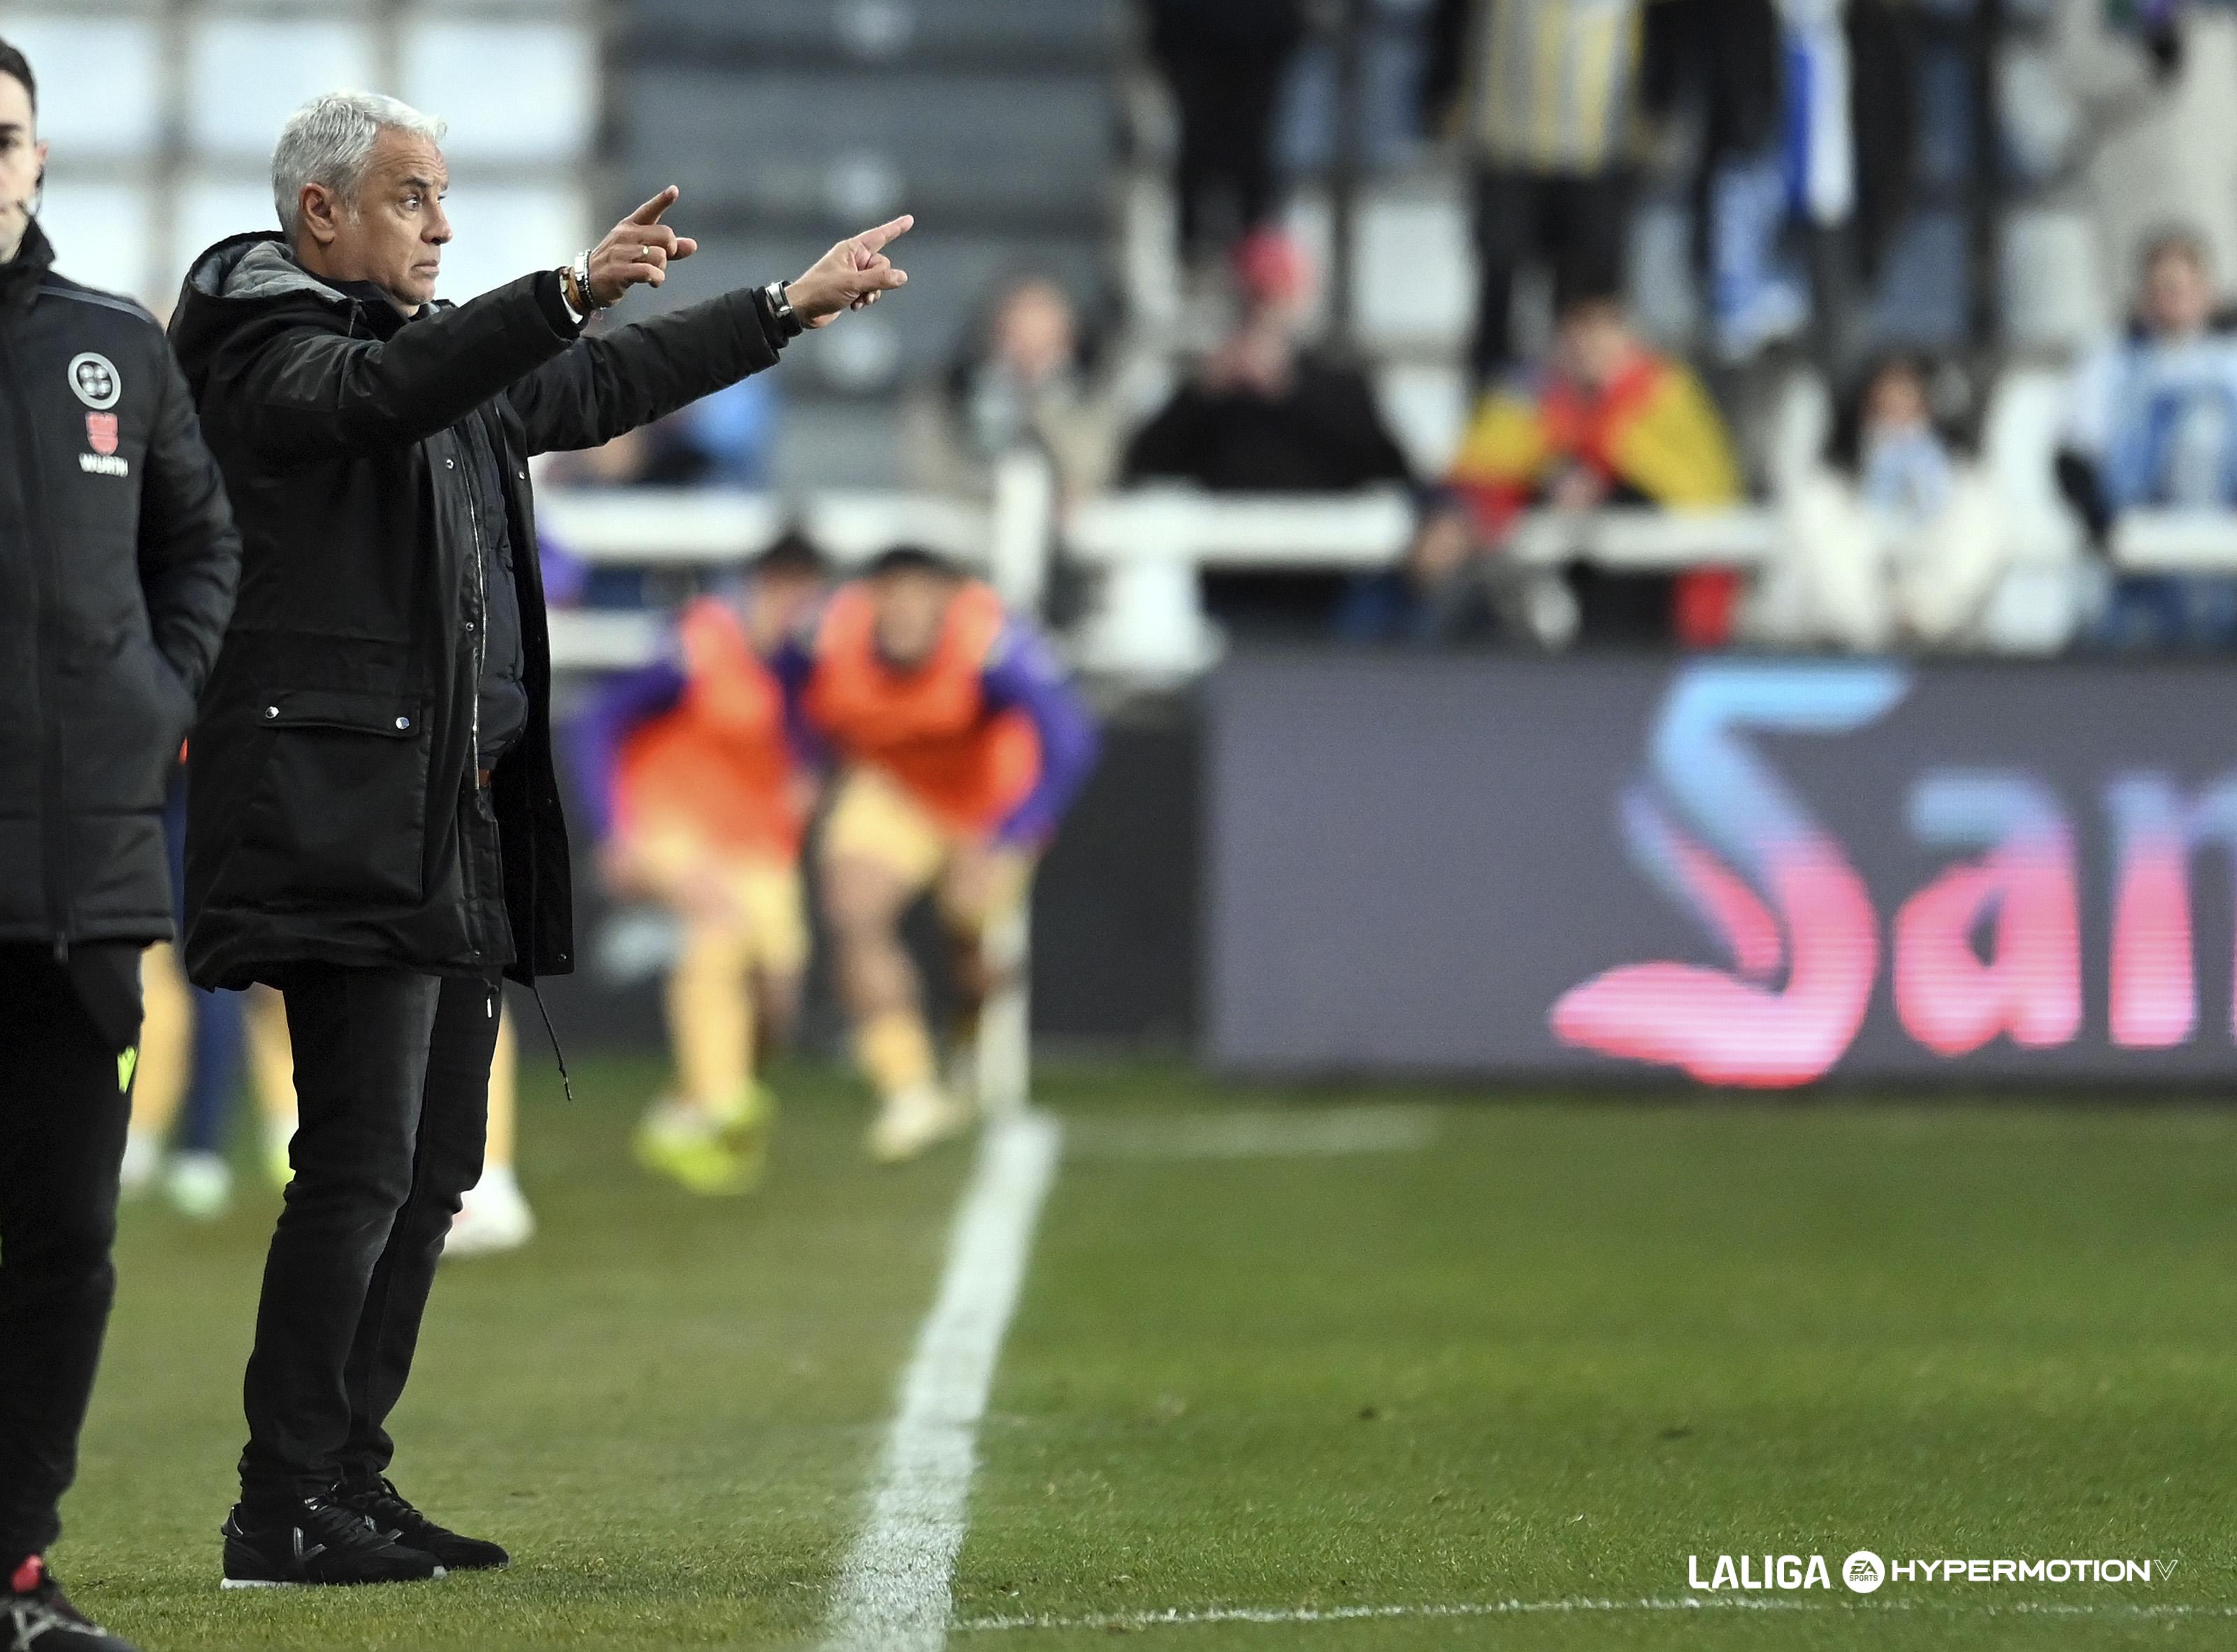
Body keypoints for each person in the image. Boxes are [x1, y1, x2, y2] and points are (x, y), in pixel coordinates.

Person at [167, 89, 911, 1588]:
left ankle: (344, 1472)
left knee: (433, 1164)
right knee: (360, 1162)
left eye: (444, 197)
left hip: (449, 810)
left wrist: (780, 310)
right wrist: (557, 292)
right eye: (410, 198)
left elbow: (596, 388)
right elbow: (369, 404)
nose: (442, 225)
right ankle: (277, 1501)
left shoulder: (428, 356)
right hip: (342, 808)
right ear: (321, 214)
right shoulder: (261, 336)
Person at [0, 38, 240, 1652]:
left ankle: (14, 1566)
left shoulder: (112, 348)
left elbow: (200, 536)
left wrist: (157, 691)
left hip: (76, 880)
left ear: (34, 155)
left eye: (2, 136)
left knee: (65, 1246)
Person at [786, 547, 1098, 1161]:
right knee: (853, 915)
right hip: (895, 787)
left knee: (970, 944)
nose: (904, 613)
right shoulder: (827, 633)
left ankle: (966, 1029)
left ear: (947, 602)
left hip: (988, 798)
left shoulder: (991, 643)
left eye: (920, 596)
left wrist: (1011, 832)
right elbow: (785, 691)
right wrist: (802, 766)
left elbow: (1068, 738)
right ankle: (908, 1089)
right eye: (891, 595)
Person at [572, 533, 831, 1195]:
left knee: (779, 992)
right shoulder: (698, 647)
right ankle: (719, 1101)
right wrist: (617, 831)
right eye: (782, 586)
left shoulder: (799, 668)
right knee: (717, 929)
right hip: (674, 827)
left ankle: (686, 1111)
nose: (793, 604)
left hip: (757, 844)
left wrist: (806, 776)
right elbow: (601, 722)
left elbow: (807, 742)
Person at [1353, 283, 1741, 646]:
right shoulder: (1529, 393)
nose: (1590, 346)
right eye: (1578, 329)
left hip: (1650, 596)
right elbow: (1482, 471)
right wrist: (1472, 509)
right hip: (1538, 596)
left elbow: (1696, 488)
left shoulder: (1666, 394)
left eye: (1602, 328)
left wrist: (1602, 483)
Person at [1426, 0, 1646, 382]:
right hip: (1507, 142)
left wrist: (1660, 101)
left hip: (1597, 147)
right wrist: (1442, 88)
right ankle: (1496, 419)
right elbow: (1452, 18)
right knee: (1499, 297)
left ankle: (1584, 427)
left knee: (1586, 306)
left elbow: (1664, 25)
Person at [1747, 353, 2011, 652]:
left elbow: (1974, 553)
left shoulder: (1967, 485)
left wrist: (1924, 612)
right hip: (1845, 649)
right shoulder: (1827, 490)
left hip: (1944, 649)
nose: (1896, 420)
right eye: (1883, 407)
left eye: (1908, 406)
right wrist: (1874, 624)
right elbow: (1835, 574)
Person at [1125, 230, 1413, 495]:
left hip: (1323, 544)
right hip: (1229, 542)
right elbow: (1141, 464)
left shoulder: (1341, 384)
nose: (1263, 310)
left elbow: (1387, 467)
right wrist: (1203, 394)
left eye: (1275, 295)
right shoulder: (1209, 389)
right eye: (1254, 295)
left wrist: (1289, 389)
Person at [2059, 227, 2237, 649]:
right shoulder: (2108, 363)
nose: (2172, 299)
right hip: (2134, 574)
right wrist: (2105, 526)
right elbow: (2074, 457)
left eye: (2183, 288)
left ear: (2207, 293)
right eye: (2162, 288)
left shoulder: (2230, 365)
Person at [904, 275, 1118, 507]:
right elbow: (933, 479)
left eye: (1046, 347)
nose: (1030, 357)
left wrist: (1045, 401)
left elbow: (1096, 476)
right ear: (993, 338)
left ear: (1070, 344)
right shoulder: (948, 400)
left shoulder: (1096, 402)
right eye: (1018, 339)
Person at [1145, 0, 1308, 268]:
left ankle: (1247, 257)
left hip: (1239, 31)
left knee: (1245, 147)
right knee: (1210, 144)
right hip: (1199, 31)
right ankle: (1209, 251)